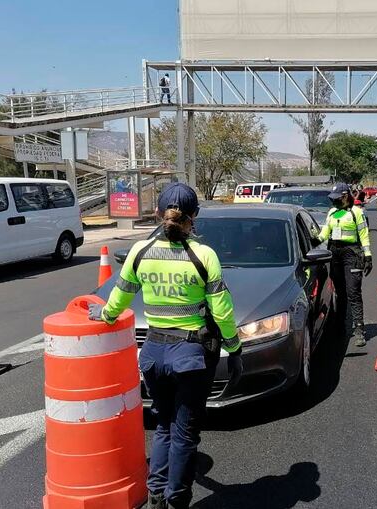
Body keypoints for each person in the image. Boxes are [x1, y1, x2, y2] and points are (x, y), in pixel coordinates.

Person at [88, 183, 241, 509]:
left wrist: (102, 313)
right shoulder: (204, 255)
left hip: (153, 354)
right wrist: (234, 347)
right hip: (190, 357)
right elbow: (223, 311)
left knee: (163, 427)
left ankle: (156, 495)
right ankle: (177, 501)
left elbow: (117, 302)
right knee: (185, 434)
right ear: (194, 216)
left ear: (157, 213)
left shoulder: (139, 252)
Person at [317, 183, 372, 347]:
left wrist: (368, 256)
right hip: (335, 253)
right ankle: (340, 327)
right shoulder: (332, 213)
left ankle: (359, 330)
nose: (334, 203)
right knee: (339, 293)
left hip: (352, 253)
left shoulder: (357, 213)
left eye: (337, 199)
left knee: (353, 292)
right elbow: (324, 233)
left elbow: (363, 234)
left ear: (346, 196)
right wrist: (315, 239)